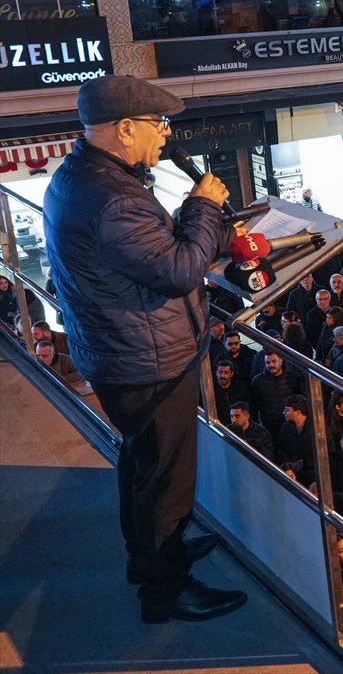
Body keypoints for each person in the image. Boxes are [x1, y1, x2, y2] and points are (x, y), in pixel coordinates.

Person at [43, 75, 246, 623]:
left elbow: (147, 254)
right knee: (166, 484)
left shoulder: (82, 177)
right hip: (146, 364)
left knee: (141, 466)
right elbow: (180, 270)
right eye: (159, 126)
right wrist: (203, 206)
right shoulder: (112, 199)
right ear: (125, 129)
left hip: (120, 354)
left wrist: (191, 220)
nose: (166, 135)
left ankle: (154, 557)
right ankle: (165, 591)